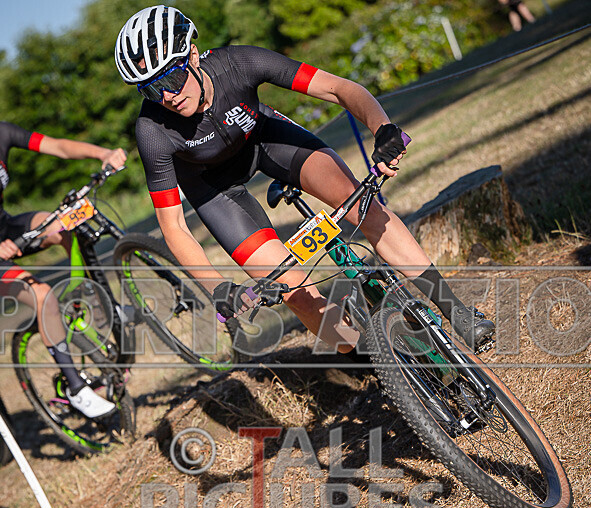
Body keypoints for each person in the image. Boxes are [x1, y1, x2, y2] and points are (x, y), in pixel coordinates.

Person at [114, 5, 494, 354]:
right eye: (151, 88)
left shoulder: (240, 62)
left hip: (265, 139)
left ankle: (456, 311)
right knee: (292, 289)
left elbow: (339, 88)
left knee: (363, 208)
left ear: (193, 56)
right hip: (214, 189)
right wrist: (216, 288)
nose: (168, 95)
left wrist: (383, 129)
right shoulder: (152, 130)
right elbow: (174, 227)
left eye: (173, 76)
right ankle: (373, 360)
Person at [0, 122, 127, 418]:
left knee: (64, 225)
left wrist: (103, 153)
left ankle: (96, 304)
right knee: (43, 295)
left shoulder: (2, 132)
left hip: (5, 228)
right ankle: (76, 389)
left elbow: (57, 146)